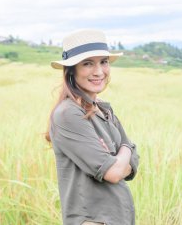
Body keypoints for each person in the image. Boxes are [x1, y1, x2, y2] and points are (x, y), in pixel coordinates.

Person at [45, 29, 139, 225]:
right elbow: (114, 172)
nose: (98, 71)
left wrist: (120, 157)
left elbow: (133, 166)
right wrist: (126, 149)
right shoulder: (68, 114)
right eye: (88, 63)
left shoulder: (103, 108)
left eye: (103, 62)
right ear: (71, 70)